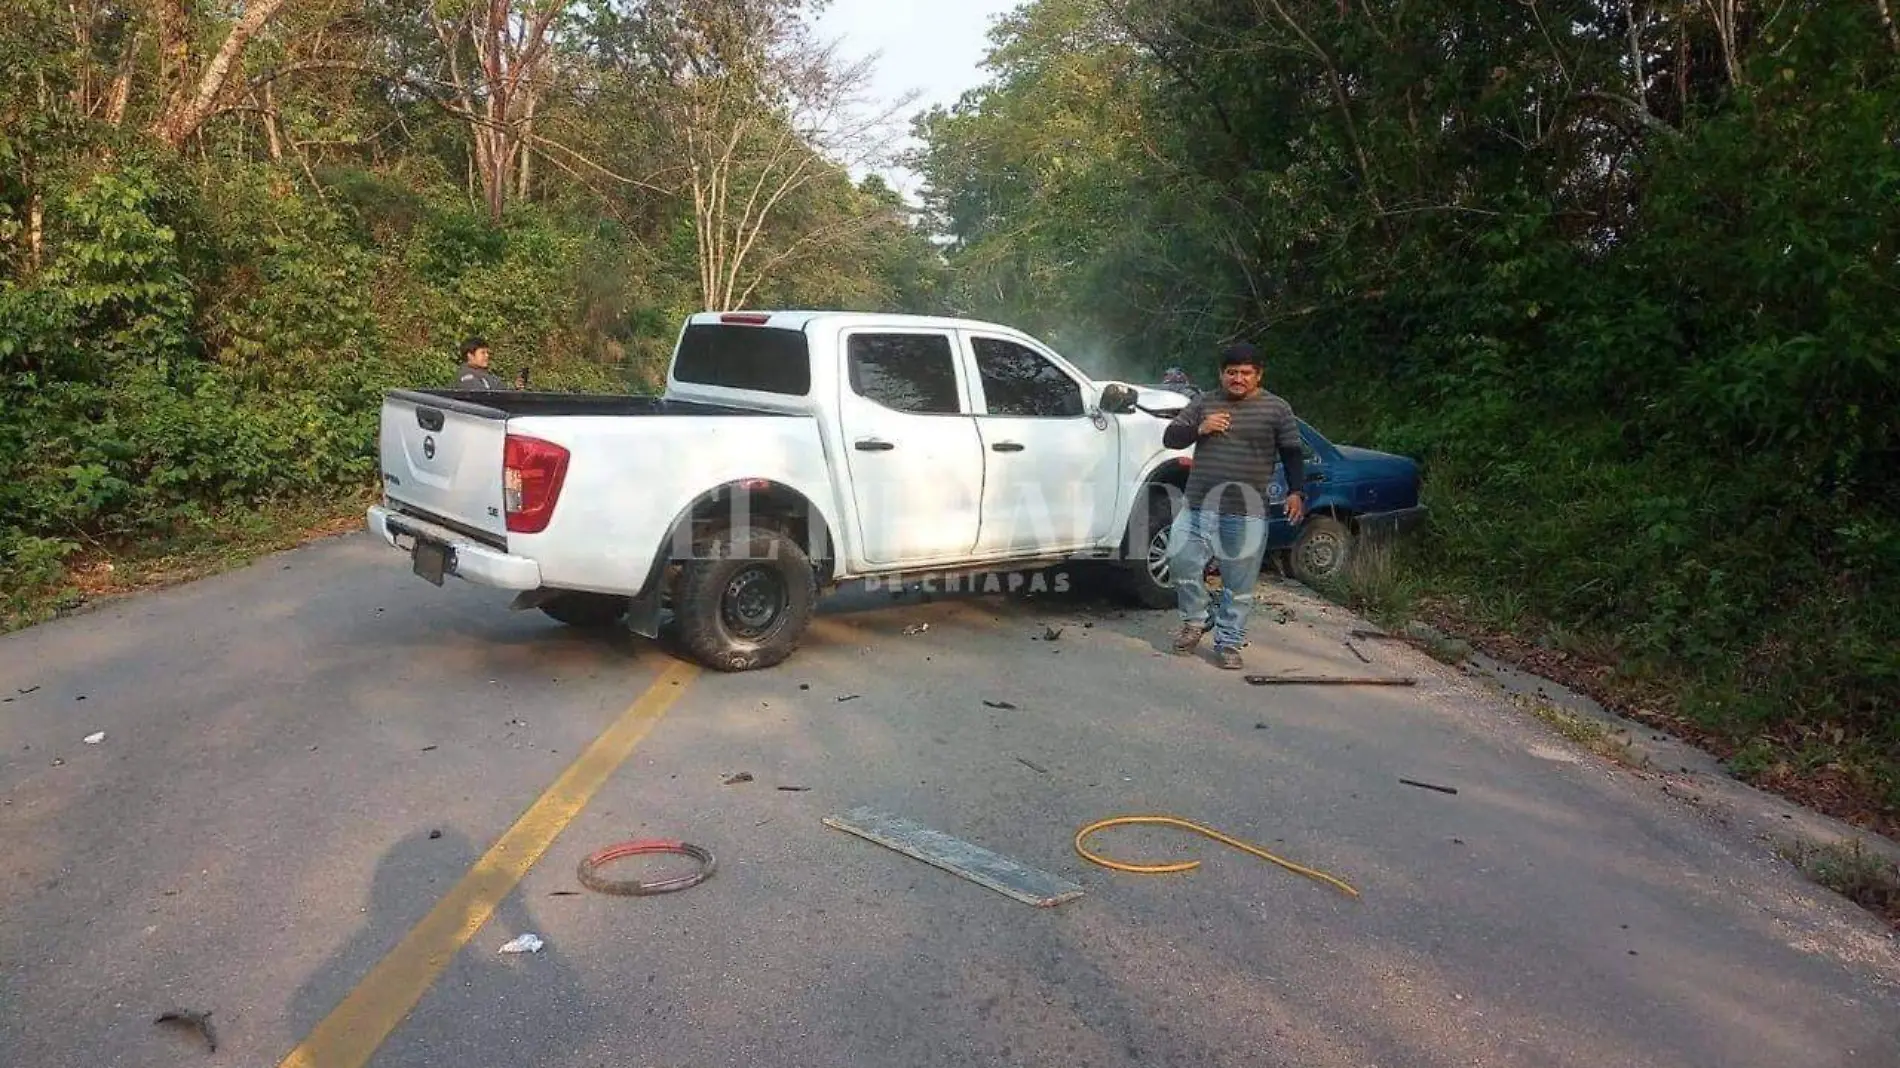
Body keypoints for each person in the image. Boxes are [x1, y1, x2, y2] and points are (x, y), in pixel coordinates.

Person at [1159, 342, 1306, 669]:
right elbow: (1171, 437)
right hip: (1198, 506)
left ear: (1258, 375)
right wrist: (1200, 428)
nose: (1238, 378)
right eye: (1231, 372)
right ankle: (1196, 620)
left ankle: (1228, 641)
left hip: (1247, 511)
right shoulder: (1204, 402)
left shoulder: (1277, 408)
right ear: (1221, 374)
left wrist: (1297, 490)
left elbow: (1292, 452)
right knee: (1180, 561)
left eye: (1245, 373)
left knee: (1238, 584)